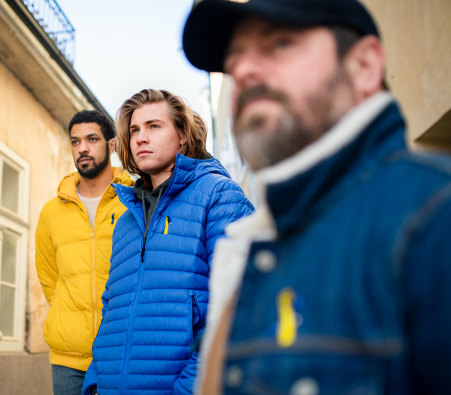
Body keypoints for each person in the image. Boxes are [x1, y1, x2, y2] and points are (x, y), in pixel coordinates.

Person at [182, 0, 451, 394]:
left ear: (363, 67)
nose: (242, 70)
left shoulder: (433, 216)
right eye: (234, 60)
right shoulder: (246, 243)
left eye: (280, 43)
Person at [81, 89, 254, 395]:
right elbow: (113, 309)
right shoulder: (125, 222)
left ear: (183, 135)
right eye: (134, 130)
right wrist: (95, 381)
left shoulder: (219, 195)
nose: (140, 138)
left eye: (154, 126)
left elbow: (242, 304)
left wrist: (192, 388)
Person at [35, 110, 133, 395]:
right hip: (68, 358)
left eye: (92, 139)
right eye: (75, 142)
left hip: (121, 350)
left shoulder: (133, 201)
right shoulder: (51, 212)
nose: (83, 148)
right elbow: (49, 277)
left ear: (112, 144)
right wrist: (69, 316)